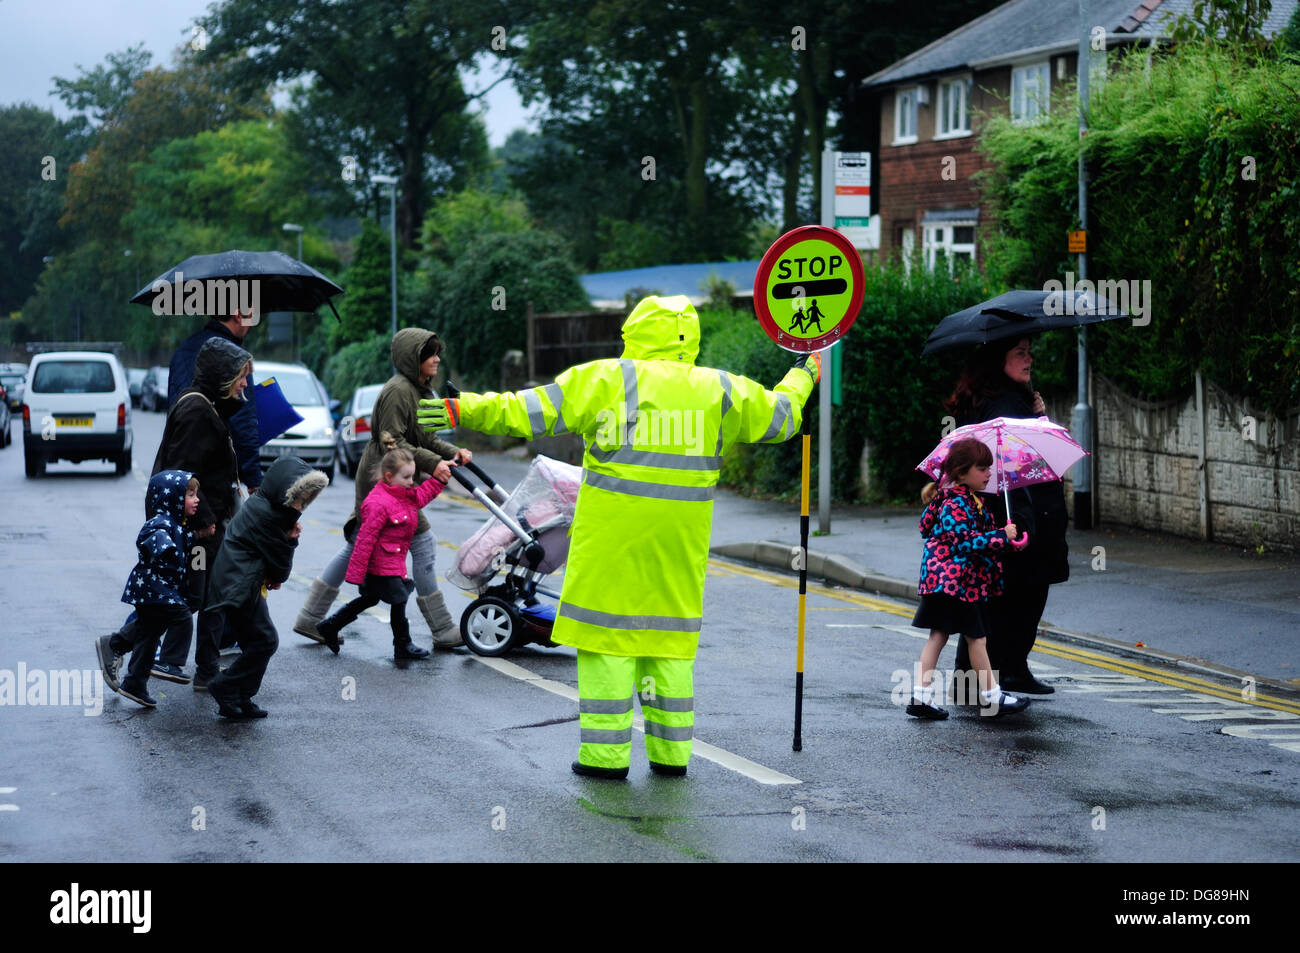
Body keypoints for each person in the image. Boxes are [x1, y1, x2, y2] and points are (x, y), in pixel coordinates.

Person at [416, 294, 819, 779]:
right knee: (666, 647)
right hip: (677, 550)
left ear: (634, 333)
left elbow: (528, 410)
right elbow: (782, 416)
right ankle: (671, 758)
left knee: (607, 644)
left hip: (610, 546)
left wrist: (463, 410)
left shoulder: (606, 378)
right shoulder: (719, 389)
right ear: (688, 338)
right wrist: (805, 372)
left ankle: (604, 759)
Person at [294, 328, 471, 652]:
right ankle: (442, 629)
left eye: (437, 352)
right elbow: (394, 441)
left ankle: (311, 618)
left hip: (398, 473)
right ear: (412, 358)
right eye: (430, 353)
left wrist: (452, 453)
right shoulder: (397, 391)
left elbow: (427, 437)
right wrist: (433, 465)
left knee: (360, 543)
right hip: (383, 476)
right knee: (418, 540)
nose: (437, 359)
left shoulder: (420, 391)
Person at [946, 336, 1070, 696]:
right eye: (1020, 353)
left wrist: (1037, 412)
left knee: (1003, 597)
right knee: (1017, 596)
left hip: (1016, 511)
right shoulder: (1003, 405)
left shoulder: (1007, 399)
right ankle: (995, 673)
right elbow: (1023, 459)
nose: (1029, 359)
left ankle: (1000, 670)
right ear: (998, 361)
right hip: (1016, 514)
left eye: (1029, 352)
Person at [908, 438, 1029, 719]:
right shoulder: (956, 503)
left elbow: (972, 539)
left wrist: (1005, 539)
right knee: (977, 638)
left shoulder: (967, 500)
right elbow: (964, 543)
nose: (988, 473)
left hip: (947, 583)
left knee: (938, 636)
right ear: (961, 473)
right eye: (982, 468)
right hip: (954, 583)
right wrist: (1001, 535)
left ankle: (920, 697)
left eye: (989, 467)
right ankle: (992, 697)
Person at [204, 455, 328, 719]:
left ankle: (240, 696)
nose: (301, 506)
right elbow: (281, 568)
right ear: (285, 493)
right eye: (298, 499)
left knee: (256, 642)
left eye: (305, 501)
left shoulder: (264, 506)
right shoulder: (271, 517)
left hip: (237, 581)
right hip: (239, 585)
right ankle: (224, 686)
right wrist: (290, 541)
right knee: (265, 640)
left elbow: (268, 559)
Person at [315, 434, 447, 659]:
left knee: (371, 599)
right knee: (399, 599)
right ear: (389, 476)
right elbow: (364, 540)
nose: (411, 481)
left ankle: (330, 625)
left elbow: (422, 495)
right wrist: (357, 574)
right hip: (380, 565)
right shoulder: (378, 503)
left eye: (412, 476)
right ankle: (402, 645)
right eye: (406, 477)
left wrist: (441, 479)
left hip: (392, 562)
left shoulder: (404, 494)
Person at [95, 471, 201, 708]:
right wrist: (164, 546)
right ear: (170, 498)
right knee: (182, 618)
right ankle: (170, 662)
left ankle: (133, 680)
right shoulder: (161, 522)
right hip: (153, 587)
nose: (197, 499)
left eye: (196, 494)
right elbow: (150, 536)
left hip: (160, 589)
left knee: (149, 631)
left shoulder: (180, 526)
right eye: (190, 494)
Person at [169, 310, 262, 493]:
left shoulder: (183, 350)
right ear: (238, 314)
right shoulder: (234, 358)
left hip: (180, 471)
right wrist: (254, 480)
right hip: (213, 479)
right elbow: (243, 422)